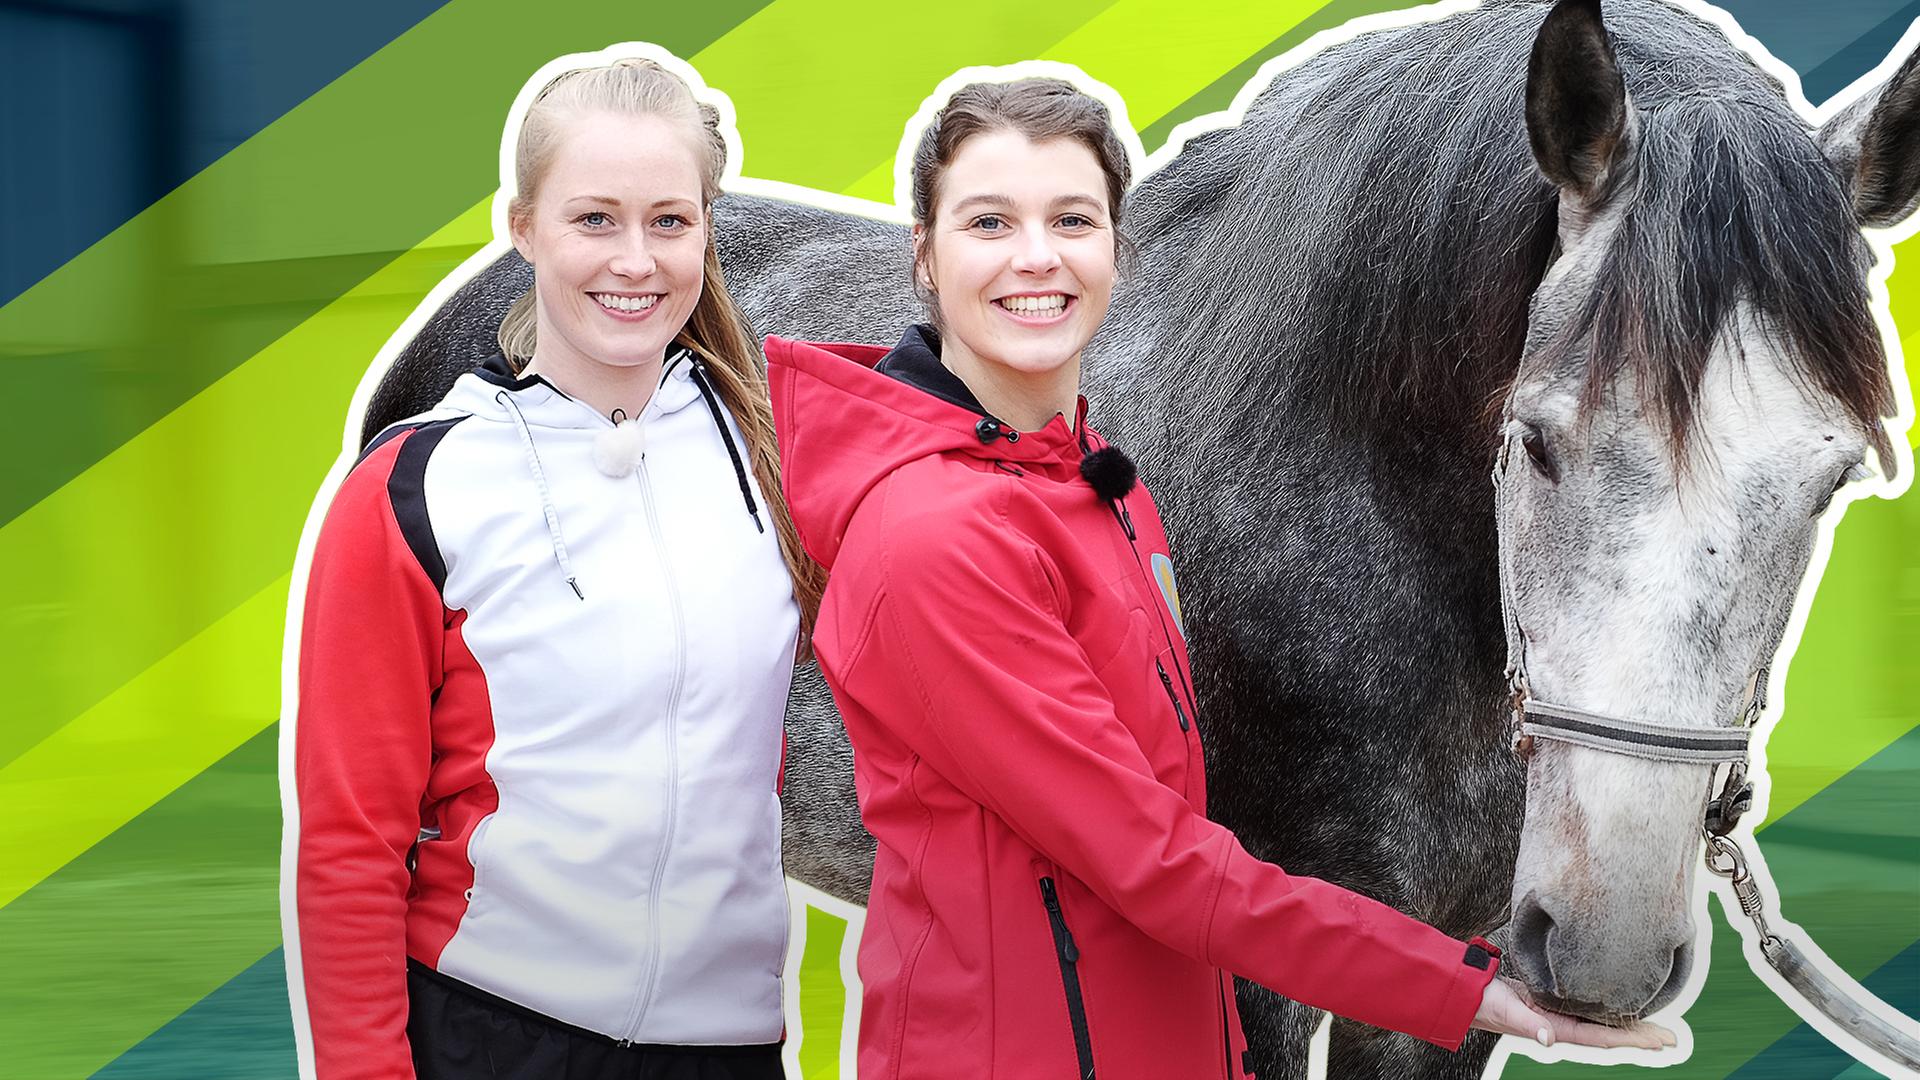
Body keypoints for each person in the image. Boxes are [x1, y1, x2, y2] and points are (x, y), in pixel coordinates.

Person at [764, 76, 1674, 1078]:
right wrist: (1464, 988)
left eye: (1072, 220)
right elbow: (1151, 861)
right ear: (924, 259)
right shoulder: (936, 540)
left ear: (1119, 252)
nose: (1036, 257)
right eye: (989, 223)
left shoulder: (1096, 483)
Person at [286, 55, 822, 1080]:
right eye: (595, 220)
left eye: (670, 221)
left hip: (729, 1047)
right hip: (488, 1032)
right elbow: (350, 844)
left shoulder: (775, 465)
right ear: (524, 227)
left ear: (708, 231)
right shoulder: (419, 487)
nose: (636, 260)